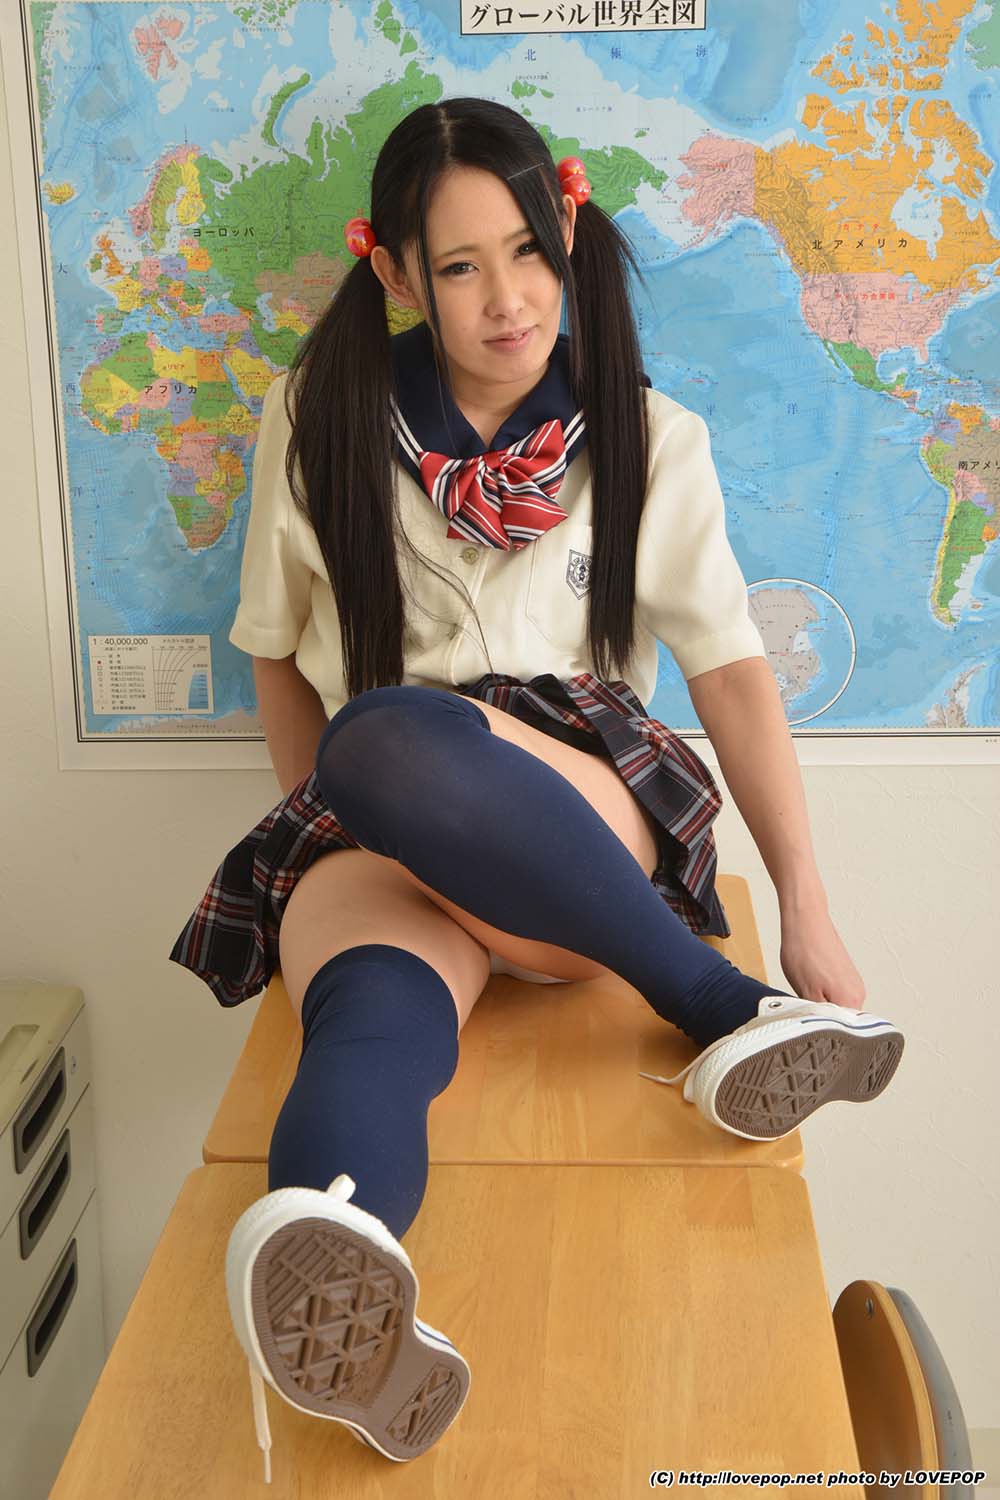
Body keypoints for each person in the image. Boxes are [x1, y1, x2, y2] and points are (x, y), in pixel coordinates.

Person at [169, 97, 904, 1480]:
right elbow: (274, 651)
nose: (506, 299)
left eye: (526, 252)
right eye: (458, 266)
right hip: (380, 815)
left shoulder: (644, 432)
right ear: (396, 273)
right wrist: (331, 831)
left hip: (576, 816)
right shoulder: (318, 419)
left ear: (566, 233)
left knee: (390, 734)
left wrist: (806, 904)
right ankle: (341, 1254)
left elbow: (732, 672)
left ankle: (728, 1003)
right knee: (366, 1019)